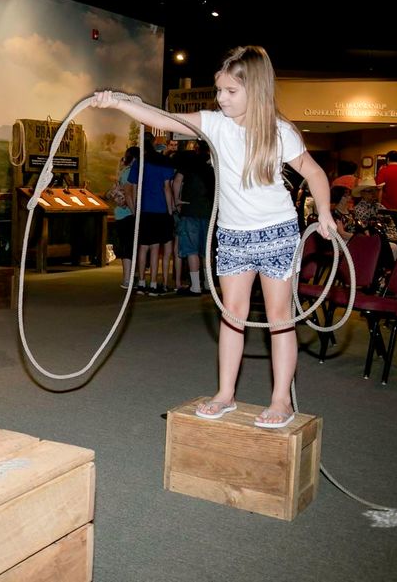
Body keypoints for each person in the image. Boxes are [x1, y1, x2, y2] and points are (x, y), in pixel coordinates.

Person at [92, 45, 334, 428]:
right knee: (231, 315)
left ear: (254, 90)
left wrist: (324, 213)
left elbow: (315, 173)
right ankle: (225, 394)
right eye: (219, 90)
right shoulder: (214, 124)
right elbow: (164, 119)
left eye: (230, 91)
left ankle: (281, 400)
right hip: (234, 235)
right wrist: (120, 103)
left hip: (277, 234)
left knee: (279, 318)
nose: (221, 98)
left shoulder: (279, 132)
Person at [128, 133, 176, 295]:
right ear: (155, 142)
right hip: (160, 209)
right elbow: (167, 188)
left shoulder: (139, 162)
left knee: (143, 247)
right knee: (156, 247)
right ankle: (154, 284)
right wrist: (171, 210)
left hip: (144, 209)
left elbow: (134, 187)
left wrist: (136, 209)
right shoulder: (163, 161)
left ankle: (141, 282)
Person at [172, 143, 215, 296]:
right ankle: (208, 284)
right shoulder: (214, 163)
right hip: (209, 210)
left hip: (190, 209)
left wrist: (176, 200)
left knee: (191, 249)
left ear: (196, 148)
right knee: (206, 249)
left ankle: (195, 286)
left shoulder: (189, 161)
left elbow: (177, 181)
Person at [107, 147, 138, 288]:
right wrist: (134, 211)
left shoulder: (124, 171)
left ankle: (129, 277)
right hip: (127, 213)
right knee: (128, 246)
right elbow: (128, 193)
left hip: (122, 213)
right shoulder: (130, 172)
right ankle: (127, 279)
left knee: (128, 245)